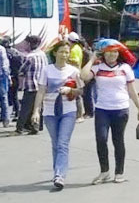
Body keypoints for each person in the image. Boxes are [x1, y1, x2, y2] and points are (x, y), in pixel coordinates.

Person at [81, 42, 139, 185]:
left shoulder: (125, 68)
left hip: (121, 109)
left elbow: (132, 90)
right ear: (103, 54)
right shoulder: (97, 68)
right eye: (109, 52)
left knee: (118, 140)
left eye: (115, 52)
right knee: (101, 139)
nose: (112, 54)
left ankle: (119, 172)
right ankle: (104, 172)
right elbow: (84, 76)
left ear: (119, 53)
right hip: (102, 109)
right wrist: (91, 60)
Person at [31, 41, 83, 189]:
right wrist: (36, 111)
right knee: (56, 144)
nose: (64, 55)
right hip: (49, 111)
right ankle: (57, 171)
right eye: (61, 51)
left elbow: (81, 90)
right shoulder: (46, 70)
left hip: (68, 111)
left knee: (62, 144)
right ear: (55, 53)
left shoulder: (73, 71)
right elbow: (41, 91)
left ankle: (60, 175)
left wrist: (70, 90)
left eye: (67, 52)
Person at [11, 35, 48, 136]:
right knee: (38, 106)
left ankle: (19, 128)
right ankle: (36, 126)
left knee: (25, 108)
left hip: (31, 85)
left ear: (29, 44)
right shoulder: (43, 55)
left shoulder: (30, 57)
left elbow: (22, 70)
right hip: (41, 85)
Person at [0, 36, 24, 120]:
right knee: (14, 96)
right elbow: (21, 63)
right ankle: (17, 113)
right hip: (15, 76)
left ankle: (5, 115)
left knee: (5, 96)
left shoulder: (3, 52)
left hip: (6, 76)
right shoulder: (16, 52)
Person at [67, 32, 86, 123]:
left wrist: (66, 59)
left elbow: (76, 62)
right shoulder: (77, 47)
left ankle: (79, 115)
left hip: (74, 74)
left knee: (76, 95)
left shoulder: (74, 49)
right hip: (75, 73)